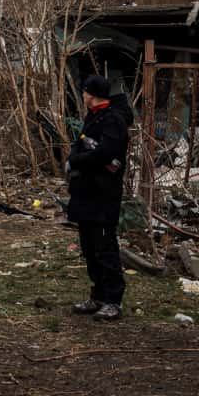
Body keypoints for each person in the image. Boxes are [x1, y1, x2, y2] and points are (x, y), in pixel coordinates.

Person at [66, 75, 134, 321]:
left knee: (105, 248)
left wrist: (76, 160)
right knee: (90, 248)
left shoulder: (113, 120)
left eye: (84, 92)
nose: (82, 96)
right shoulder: (93, 117)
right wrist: (75, 156)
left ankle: (113, 301)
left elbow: (106, 154)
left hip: (103, 195)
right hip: (85, 193)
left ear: (92, 94)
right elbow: (80, 144)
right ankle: (97, 296)